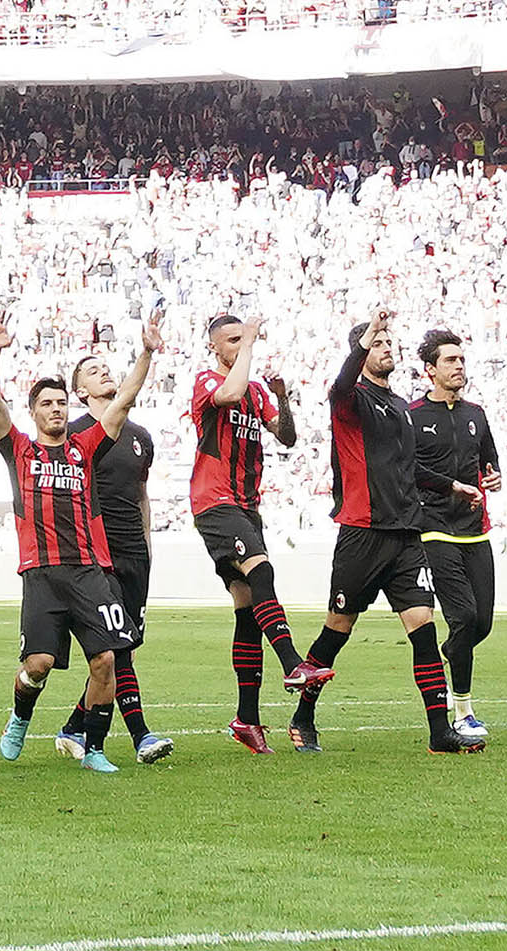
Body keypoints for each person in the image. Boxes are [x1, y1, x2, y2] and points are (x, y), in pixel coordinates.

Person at [286, 310, 486, 756]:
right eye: (378, 343)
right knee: (337, 630)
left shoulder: (399, 406)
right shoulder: (349, 399)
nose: (387, 348)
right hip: (362, 534)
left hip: (405, 535)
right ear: (361, 353)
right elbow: (339, 384)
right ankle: (303, 716)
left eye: (388, 342)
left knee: (423, 628)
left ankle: (439, 731)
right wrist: (364, 338)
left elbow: (407, 466)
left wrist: (452, 485)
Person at [0, 311, 155, 775]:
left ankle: (95, 748)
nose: (57, 409)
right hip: (41, 574)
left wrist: (146, 352)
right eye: (47, 403)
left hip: (89, 571)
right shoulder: (21, 451)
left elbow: (122, 403)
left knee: (105, 659)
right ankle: (20, 717)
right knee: (38, 664)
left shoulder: (86, 447)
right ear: (35, 411)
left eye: (61, 402)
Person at [186, 312, 312, 753]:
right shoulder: (206, 381)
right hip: (214, 501)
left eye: (245, 337)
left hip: (247, 506)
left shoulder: (258, 393)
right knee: (262, 572)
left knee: (247, 607)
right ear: (215, 347)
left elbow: (288, 438)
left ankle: (247, 719)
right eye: (233, 339)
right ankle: (294, 662)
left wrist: (283, 398)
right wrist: (253, 344)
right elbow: (231, 390)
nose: (242, 344)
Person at [55, 333, 169, 763]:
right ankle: (140, 735)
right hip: (97, 556)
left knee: (122, 648)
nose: (103, 371)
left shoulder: (140, 436)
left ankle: (72, 728)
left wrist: (148, 543)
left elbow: (140, 494)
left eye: (106, 366)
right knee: (118, 647)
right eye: (92, 369)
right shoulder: (75, 435)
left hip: (134, 552)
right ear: (80, 390)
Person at [411, 329, 500, 738]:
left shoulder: (476, 415)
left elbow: (489, 462)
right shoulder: (413, 416)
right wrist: (450, 487)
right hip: (434, 528)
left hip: (475, 530)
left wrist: (492, 478)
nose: (459, 366)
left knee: (480, 623)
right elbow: (407, 470)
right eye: (450, 361)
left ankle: (453, 650)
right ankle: (462, 710)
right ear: (430, 370)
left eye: (461, 360)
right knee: (462, 616)